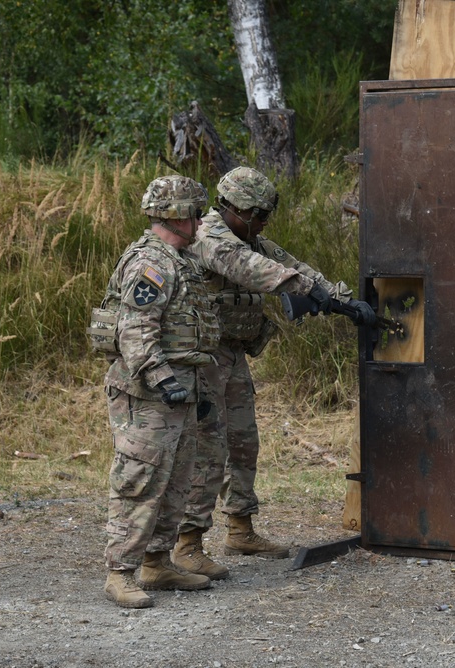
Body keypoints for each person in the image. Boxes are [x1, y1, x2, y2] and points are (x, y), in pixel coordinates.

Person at [173, 166, 376, 580]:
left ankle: (240, 528)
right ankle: (187, 543)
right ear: (232, 207)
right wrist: (306, 290)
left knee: (244, 441)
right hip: (202, 357)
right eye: (257, 214)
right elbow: (250, 268)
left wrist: (341, 301)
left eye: (266, 215)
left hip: (231, 354)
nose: (263, 223)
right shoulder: (210, 237)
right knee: (209, 449)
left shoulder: (251, 238)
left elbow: (290, 264)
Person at [97, 175, 221, 608]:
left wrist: (190, 386)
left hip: (180, 386)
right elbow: (135, 330)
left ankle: (157, 561)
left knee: (176, 477)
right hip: (147, 392)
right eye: (195, 212)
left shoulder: (179, 259)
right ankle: (120, 572)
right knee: (139, 477)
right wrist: (161, 377)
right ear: (177, 215)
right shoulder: (152, 263)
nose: (201, 220)